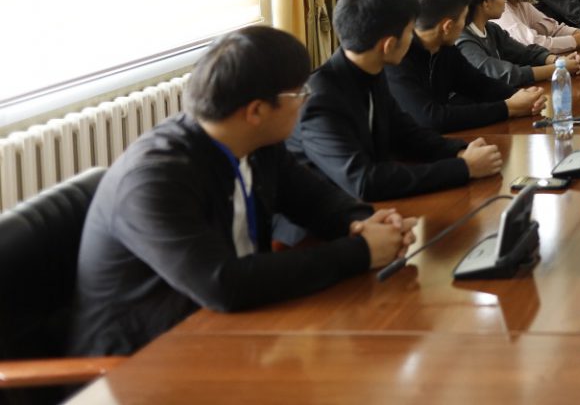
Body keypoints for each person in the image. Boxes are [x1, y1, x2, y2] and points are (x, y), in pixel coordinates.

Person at [69, 26, 415, 356]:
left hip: (230, 326)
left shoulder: (256, 142)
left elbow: (315, 200)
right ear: (256, 111)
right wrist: (361, 252)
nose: (305, 102)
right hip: (143, 358)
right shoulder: (152, 181)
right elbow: (223, 283)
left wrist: (366, 223)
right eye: (300, 94)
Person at [286, 0, 505, 202]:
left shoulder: (371, 71)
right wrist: (464, 167)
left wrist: (460, 150)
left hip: (368, 207)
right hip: (327, 217)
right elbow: (364, 181)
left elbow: (406, 133)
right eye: (410, 32)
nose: (413, 39)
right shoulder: (319, 99)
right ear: (388, 45)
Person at [386, 0, 550, 133]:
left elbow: (478, 84)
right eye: (464, 19)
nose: (465, 25)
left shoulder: (444, 48)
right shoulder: (398, 58)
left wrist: (521, 96)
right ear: (448, 26)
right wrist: (508, 108)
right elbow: (431, 118)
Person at [457, 0, 580, 83]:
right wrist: (558, 68)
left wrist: (558, 60)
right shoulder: (464, 40)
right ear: (486, 2)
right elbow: (506, 74)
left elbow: (526, 52)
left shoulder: (491, 29)